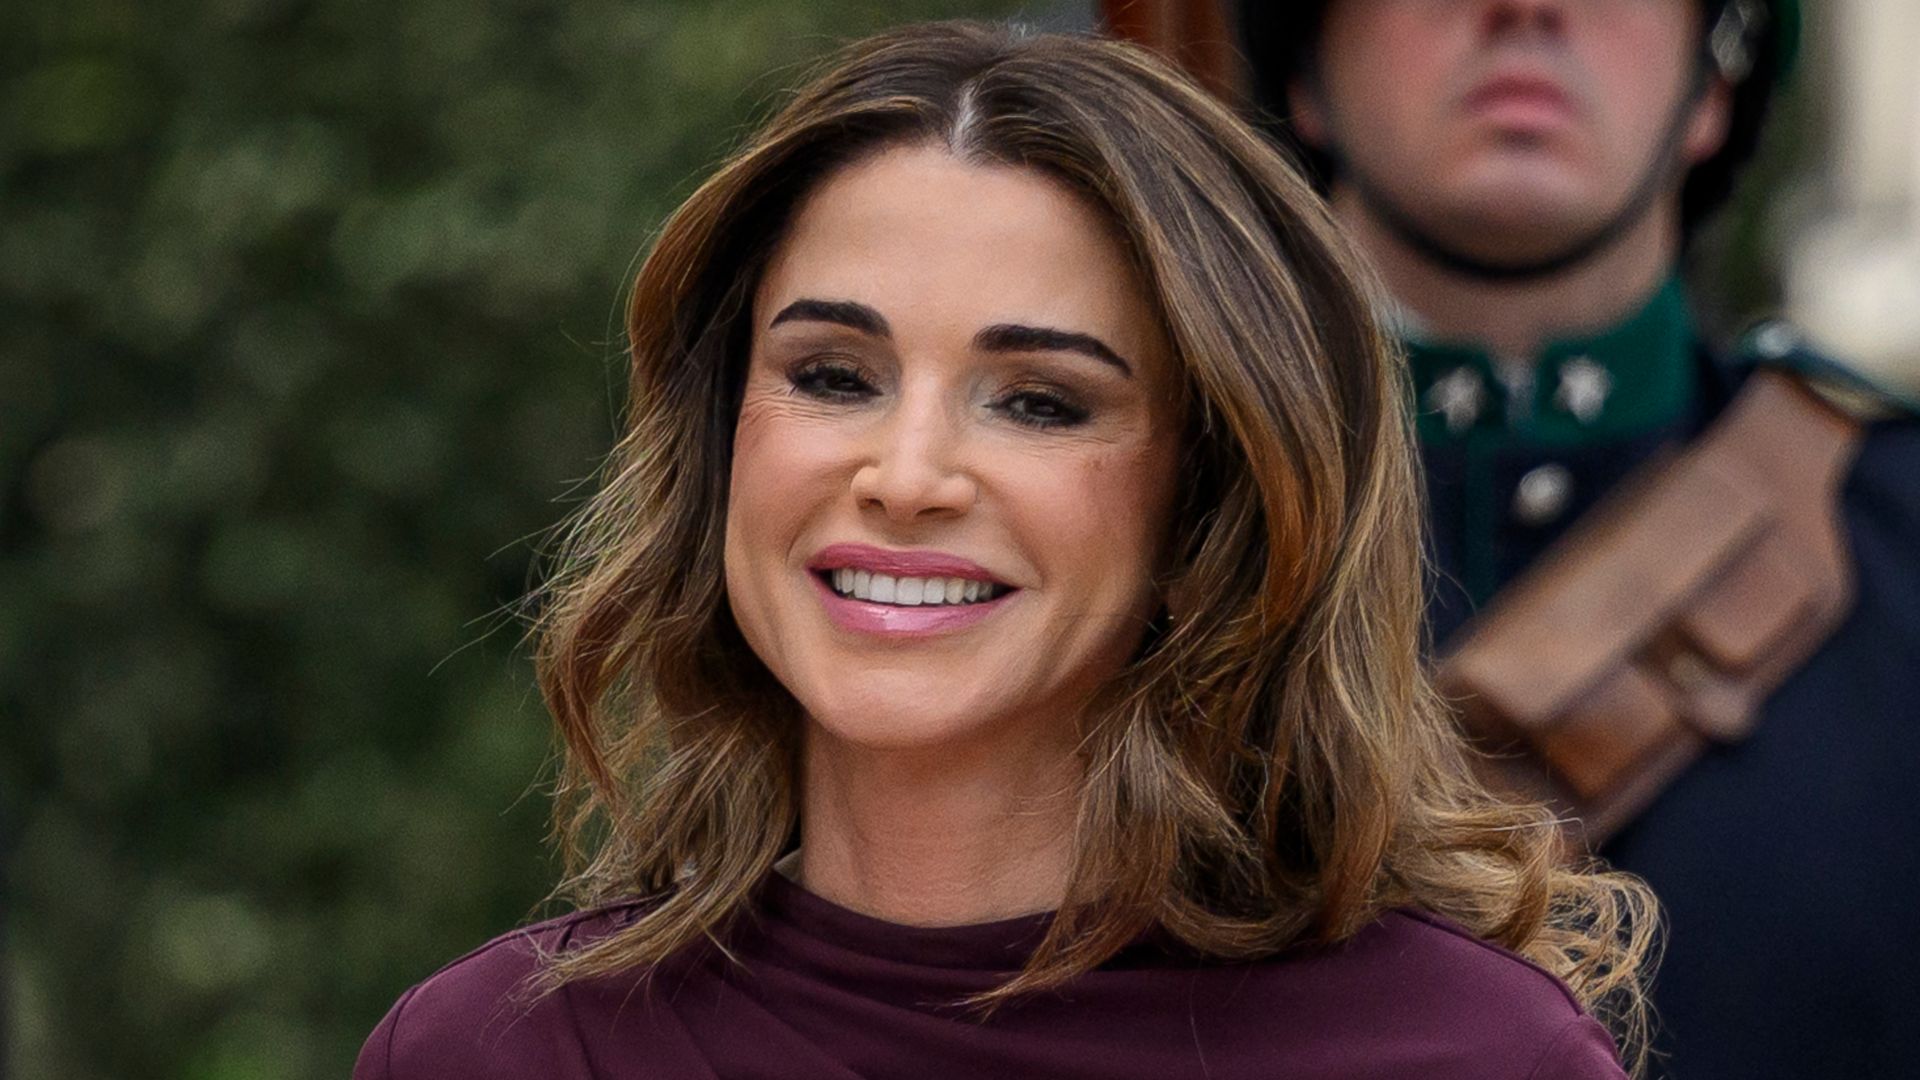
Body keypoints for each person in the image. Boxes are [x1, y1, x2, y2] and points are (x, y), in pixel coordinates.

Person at [354, 22, 1659, 1079]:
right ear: (721, 440)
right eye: (832, 374)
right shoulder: (495, 1055)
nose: (907, 477)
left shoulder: (1471, 1060)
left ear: (1213, 490)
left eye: (1039, 399)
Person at [1222, 1, 1920, 1077]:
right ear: (1309, 77)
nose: (1525, 12)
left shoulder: (1894, 522)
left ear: (1712, 90)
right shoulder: (1159, 524)